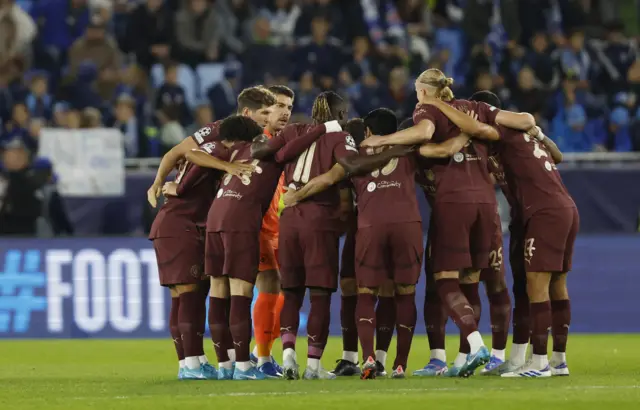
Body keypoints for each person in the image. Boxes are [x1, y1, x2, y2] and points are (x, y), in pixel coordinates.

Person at [361, 68, 498, 377]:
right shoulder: (467, 121)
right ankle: (461, 358)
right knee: (471, 282)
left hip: (453, 208)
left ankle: (469, 348)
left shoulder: (425, 121)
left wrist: (385, 139)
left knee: (442, 281)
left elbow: (424, 135)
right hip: (486, 206)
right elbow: (505, 127)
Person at [463, 91, 575, 378]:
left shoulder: (503, 133)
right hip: (558, 208)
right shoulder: (520, 138)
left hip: (543, 211)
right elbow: (558, 156)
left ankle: (539, 363)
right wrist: (539, 135)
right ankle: (558, 360)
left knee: (535, 286)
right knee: (556, 285)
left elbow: (481, 128)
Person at [149, 131, 246, 380]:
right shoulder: (219, 148)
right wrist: (180, 187)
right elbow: (192, 154)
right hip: (181, 227)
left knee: (182, 298)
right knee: (189, 297)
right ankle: (192, 364)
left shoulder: (210, 148)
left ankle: (190, 362)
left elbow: (188, 154)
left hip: (174, 226)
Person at [146, 86, 275, 208]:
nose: (269, 119)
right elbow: (175, 154)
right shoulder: (217, 131)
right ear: (247, 112)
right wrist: (157, 182)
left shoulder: (267, 138)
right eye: (265, 113)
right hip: (196, 208)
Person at [250, 85, 295, 377]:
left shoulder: (279, 142)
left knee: (283, 289)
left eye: (289, 107)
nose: (285, 112)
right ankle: (262, 358)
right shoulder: (256, 142)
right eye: (279, 106)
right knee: (269, 284)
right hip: (257, 227)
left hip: (277, 226)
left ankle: (258, 351)